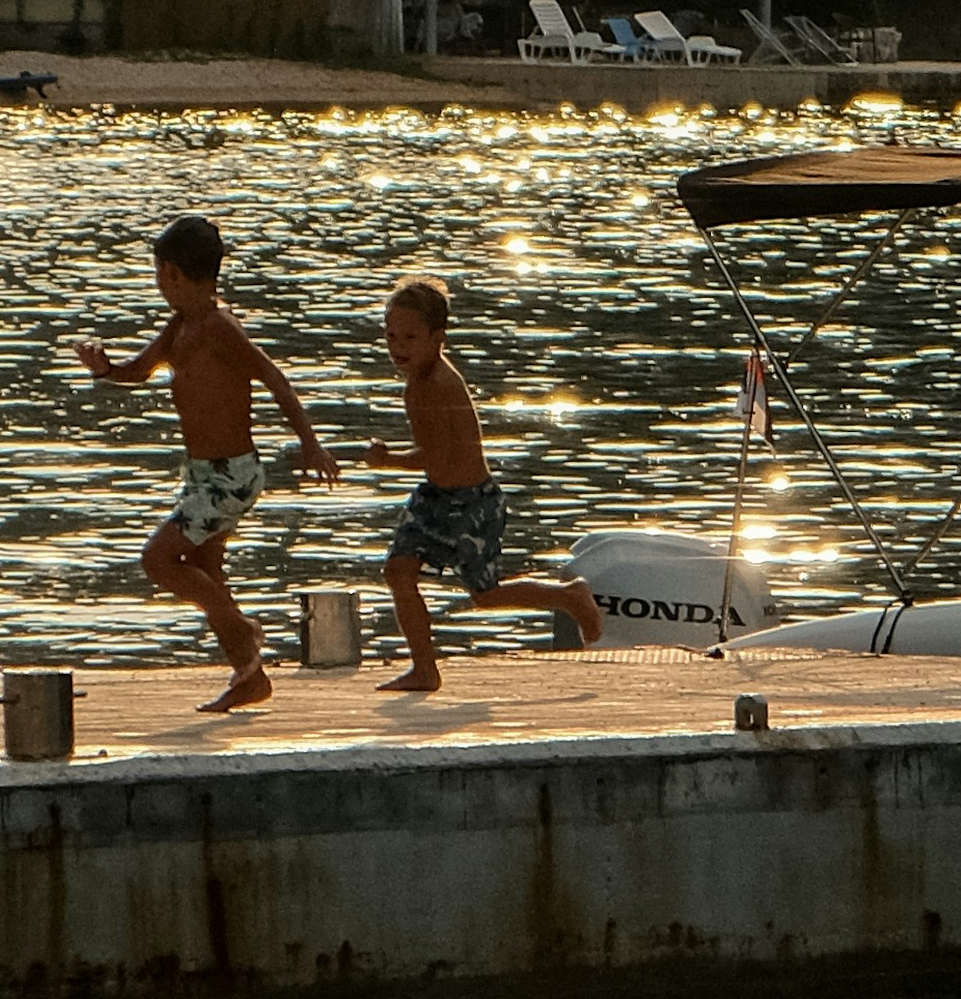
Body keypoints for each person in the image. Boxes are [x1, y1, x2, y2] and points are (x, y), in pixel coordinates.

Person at [76, 214, 330, 709]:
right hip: (200, 475)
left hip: (231, 475)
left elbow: (274, 378)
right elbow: (141, 370)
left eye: (157, 274)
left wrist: (310, 443)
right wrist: (105, 369)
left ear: (171, 273)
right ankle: (249, 676)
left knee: (159, 559)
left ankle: (243, 629)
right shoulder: (180, 327)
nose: (157, 284)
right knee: (208, 571)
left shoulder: (218, 328)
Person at [375, 272, 604, 690]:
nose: (399, 348)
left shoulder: (438, 387)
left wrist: (387, 460)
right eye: (391, 337)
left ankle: (569, 596)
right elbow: (434, 463)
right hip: (436, 497)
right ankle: (424, 669)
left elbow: (435, 457)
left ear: (437, 338)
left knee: (485, 594)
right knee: (398, 571)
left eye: (410, 338)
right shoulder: (417, 384)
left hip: (471, 503)